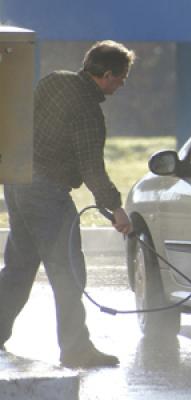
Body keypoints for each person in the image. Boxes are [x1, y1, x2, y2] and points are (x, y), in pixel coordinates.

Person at [0, 40, 135, 368]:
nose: (121, 85)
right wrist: (115, 208)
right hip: (46, 192)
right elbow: (91, 167)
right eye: (121, 78)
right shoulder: (88, 111)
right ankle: (75, 349)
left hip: (17, 183)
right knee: (69, 270)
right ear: (105, 75)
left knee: (19, 267)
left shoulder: (53, 81)